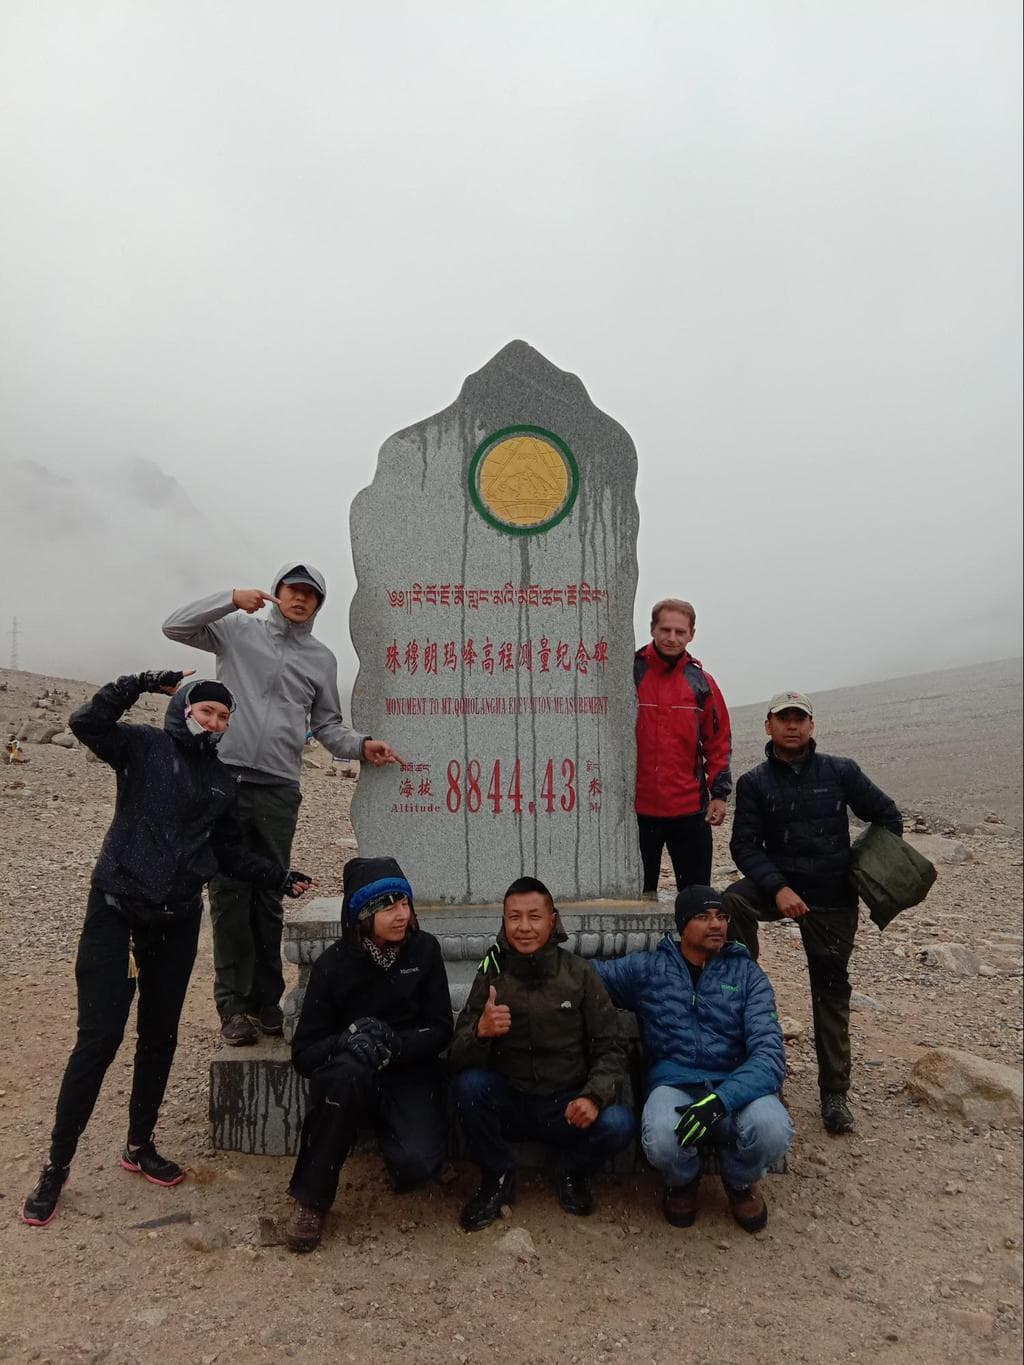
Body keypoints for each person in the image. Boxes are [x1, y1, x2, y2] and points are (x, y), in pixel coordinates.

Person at [20, 670, 311, 1228]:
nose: (216, 723)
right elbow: (86, 722)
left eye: (224, 717)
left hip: (177, 920)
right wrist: (141, 681)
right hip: (117, 912)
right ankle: (56, 1166)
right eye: (207, 712)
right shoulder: (141, 746)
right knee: (98, 1040)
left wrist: (278, 877)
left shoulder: (223, 783)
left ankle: (139, 1145)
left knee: (160, 1036)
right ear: (183, 709)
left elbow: (227, 854)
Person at [163, 563, 402, 1047]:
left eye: (310, 595)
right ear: (275, 593)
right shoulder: (235, 632)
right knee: (229, 893)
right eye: (293, 590)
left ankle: (268, 1001)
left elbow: (328, 724)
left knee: (269, 894)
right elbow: (175, 625)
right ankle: (233, 1006)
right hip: (223, 778)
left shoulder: (320, 658)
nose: (300, 599)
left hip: (277, 785)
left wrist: (362, 745)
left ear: (317, 605)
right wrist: (231, 597)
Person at [723, 691, 903, 1135]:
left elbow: (887, 816)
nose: (792, 726)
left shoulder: (840, 772)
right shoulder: (754, 783)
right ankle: (746, 974)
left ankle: (834, 1094)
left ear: (811, 726)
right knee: (730, 901)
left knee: (830, 992)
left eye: (799, 719)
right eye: (783, 719)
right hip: (778, 888)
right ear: (768, 726)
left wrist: (860, 867)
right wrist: (779, 887)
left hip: (832, 899)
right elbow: (743, 845)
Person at [596, 885, 792, 1232]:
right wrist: (516, 954)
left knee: (773, 1130)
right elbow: (585, 975)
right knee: (659, 1138)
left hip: (736, 1083)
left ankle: (739, 1180)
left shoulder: (748, 975)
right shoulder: (649, 970)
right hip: (675, 1083)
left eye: (722, 916)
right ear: (682, 926)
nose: (716, 924)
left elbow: (770, 1055)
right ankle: (683, 1179)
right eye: (703, 917)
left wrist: (721, 1099)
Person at [285, 857, 452, 1253]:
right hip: (351, 1073)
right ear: (362, 914)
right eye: (388, 906)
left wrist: (397, 1043)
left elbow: (441, 1027)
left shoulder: (424, 951)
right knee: (341, 1081)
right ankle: (311, 1199)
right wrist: (347, 1040)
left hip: (407, 1069)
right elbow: (305, 1054)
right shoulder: (332, 967)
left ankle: (396, 1140)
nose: (400, 914)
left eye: (404, 903)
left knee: (417, 1166)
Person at [450, 877, 634, 1231]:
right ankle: (498, 1176)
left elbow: (610, 1046)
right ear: (503, 921)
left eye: (534, 916)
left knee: (617, 1124)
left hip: (564, 1105)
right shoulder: (492, 971)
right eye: (513, 917)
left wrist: (593, 1096)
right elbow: (456, 1053)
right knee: (468, 1086)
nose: (523, 927)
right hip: (512, 1100)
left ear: (553, 919)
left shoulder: (579, 973)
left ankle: (572, 1171)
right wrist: (481, 1032)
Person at [634, 599, 732, 898]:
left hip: (689, 809)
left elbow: (718, 741)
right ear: (652, 628)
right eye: (665, 629)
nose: (672, 638)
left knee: (697, 898)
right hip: (635, 810)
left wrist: (720, 794)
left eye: (680, 631)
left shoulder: (701, 682)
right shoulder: (628, 674)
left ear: (691, 634)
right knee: (636, 897)